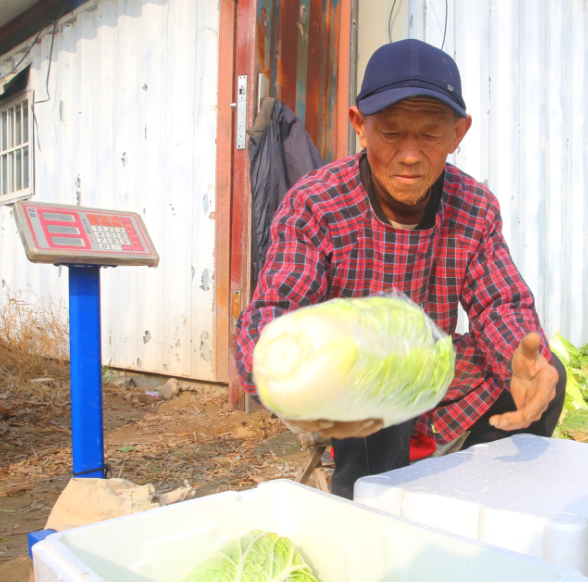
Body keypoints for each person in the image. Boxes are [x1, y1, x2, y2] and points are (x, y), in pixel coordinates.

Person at [235, 39, 565, 499]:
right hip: (351, 388)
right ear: (360, 126)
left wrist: (520, 356)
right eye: (390, 133)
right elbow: (275, 310)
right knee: (381, 376)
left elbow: (499, 304)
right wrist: (285, 374)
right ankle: (366, 509)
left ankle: (481, 501)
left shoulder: (474, 207)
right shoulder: (316, 204)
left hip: (433, 373)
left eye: (430, 134)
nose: (410, 155)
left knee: (543, 374)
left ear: (458, 133)